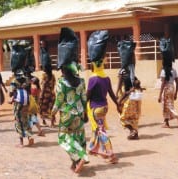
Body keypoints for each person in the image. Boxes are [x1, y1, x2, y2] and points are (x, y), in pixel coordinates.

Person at [51, 27, 89, 173]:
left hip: (67, 114)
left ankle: (80, 157)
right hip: (79, 113)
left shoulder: (61, 83)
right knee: (78, 136)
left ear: (63, 69)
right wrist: (84, 112)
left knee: (63, 138)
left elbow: (59, 101)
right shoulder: (81, 81)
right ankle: (76, 162)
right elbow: (84, 98)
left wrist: (52, 113)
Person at [86, 30, 120, 164]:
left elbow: (87, 97)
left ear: (93, 65)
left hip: (96, 109)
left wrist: (83, 109)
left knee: (101, 130)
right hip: (104, 107)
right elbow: (112, 94)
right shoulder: (106, 78)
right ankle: (92, 148)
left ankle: (111, 154)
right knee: (96, 128)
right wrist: (118, 105)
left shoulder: (93, 79)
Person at [116, 40, 143, 139]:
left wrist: (117, 98)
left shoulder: (123, 70)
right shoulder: (132, 69)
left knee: (123, 117)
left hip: (128, 96)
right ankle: (134, 133)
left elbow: (119, 85)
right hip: (134, 97)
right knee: (133, 116)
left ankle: (132, 131)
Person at [158, 38, 178, 129]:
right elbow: (177, 82)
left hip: (166, 89)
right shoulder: (174, 70)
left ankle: (177, 117)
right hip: (172, 87)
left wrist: (160, 94)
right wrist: (176, 93)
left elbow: (163, 83)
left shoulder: (164, 71)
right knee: (168, 105)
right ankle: (166, 123)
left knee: (167, 105)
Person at [39, 40, 56, 127]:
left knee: (42, 108)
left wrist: (41, 95)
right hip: (52, 94)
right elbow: (53, 85)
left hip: (46, 94)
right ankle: (52, 123)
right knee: (51, 108)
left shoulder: (44, 75)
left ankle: (44, 122)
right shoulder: (53, 75)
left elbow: (43, 85)